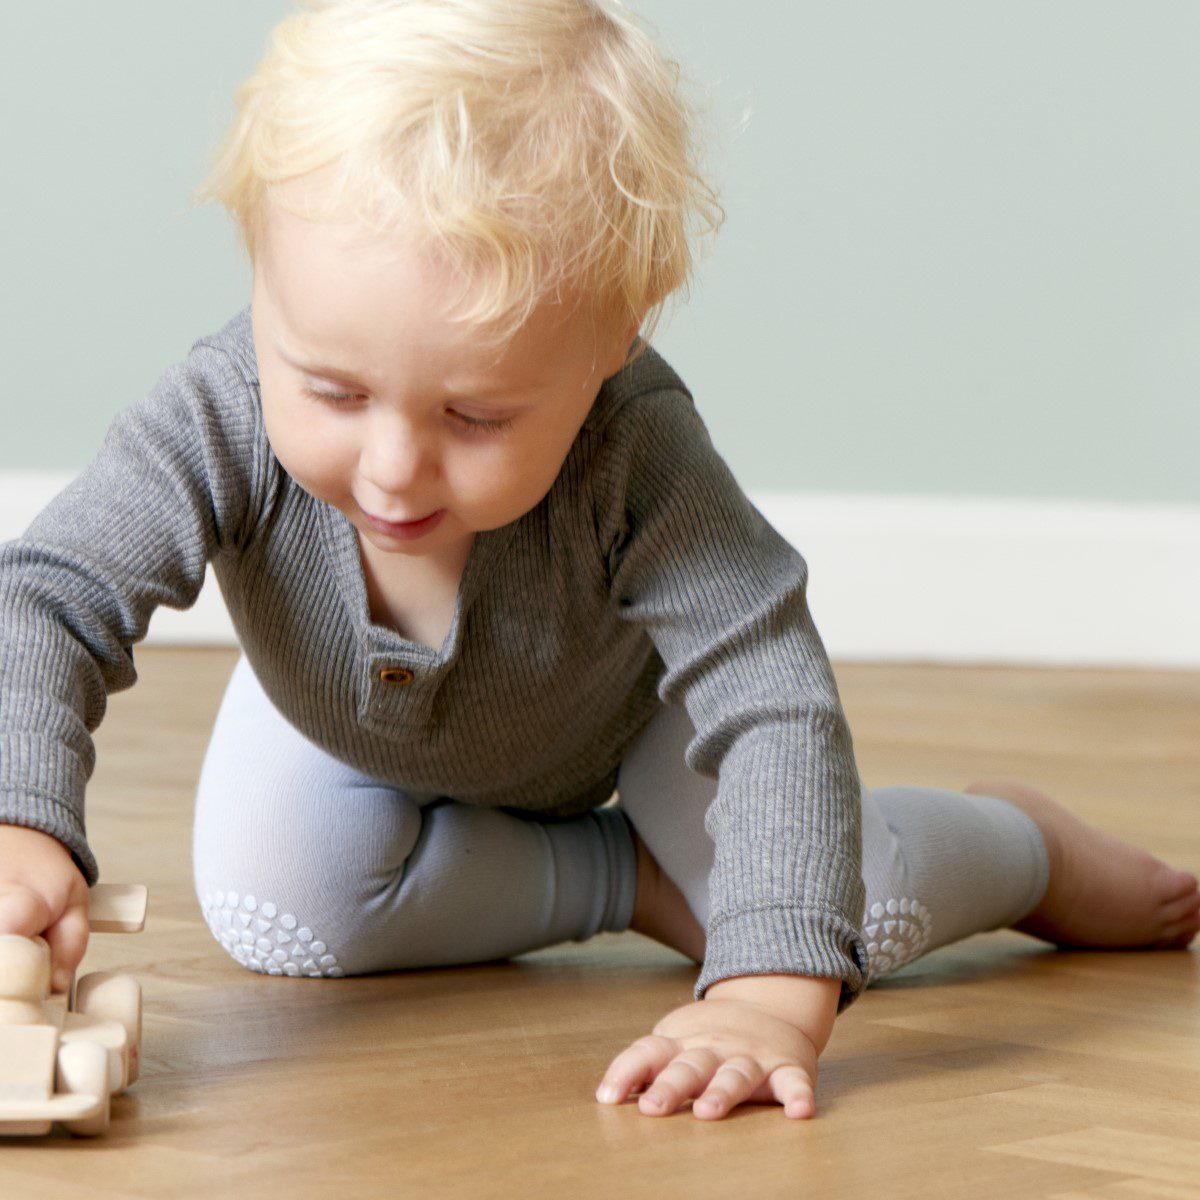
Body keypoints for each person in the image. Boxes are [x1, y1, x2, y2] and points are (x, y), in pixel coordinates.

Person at [1, 0, 1197, 1123]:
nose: (391, 471)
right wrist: (22, 818)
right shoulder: (215, 414)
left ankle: (1023, 843)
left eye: (475, 418)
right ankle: (621, 882)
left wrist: (768, 991)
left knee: (844, 919)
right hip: (343, 720)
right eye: (331, 389)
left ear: (617, 333)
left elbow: (771, 693)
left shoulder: (638, 453)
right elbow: (50, 598)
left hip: (624, 719)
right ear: (260, 275)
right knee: (279, 915)